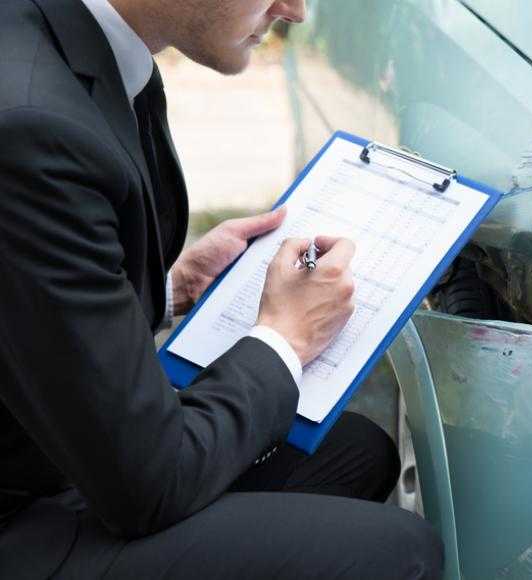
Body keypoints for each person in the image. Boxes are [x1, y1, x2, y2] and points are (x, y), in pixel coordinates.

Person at [0, 0, 443, 577]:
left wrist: (171, 288)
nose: (296, 11)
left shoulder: (72, 40)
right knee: (398, 553)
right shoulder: (34, 127)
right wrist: (285, 336)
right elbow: (148, 487)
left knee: (354, 452)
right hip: (22, 515)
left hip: (45, 449)